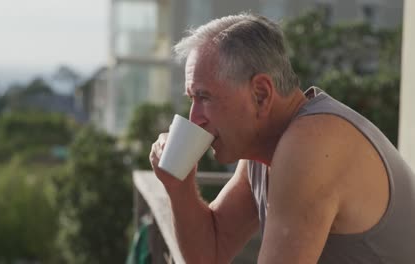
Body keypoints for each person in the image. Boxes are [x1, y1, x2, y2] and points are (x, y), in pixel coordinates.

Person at [149, 13, 415, 264]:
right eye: (192, 100)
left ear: (261, 95)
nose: (195, 118)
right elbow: (210, 253)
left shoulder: (311, 146)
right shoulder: (263, 149)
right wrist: (178, 186)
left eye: (204, 97)